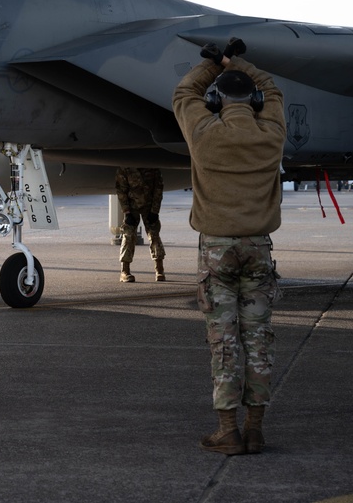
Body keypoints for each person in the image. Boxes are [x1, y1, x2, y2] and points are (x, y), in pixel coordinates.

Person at [172, 37, 286, 456]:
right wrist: (233, 61)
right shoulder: (271, 133)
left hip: (217, 250)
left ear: (217, 100)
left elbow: (184, 92)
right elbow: (272, 89)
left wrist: (211, 66)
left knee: (224, 340)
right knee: (259, 338)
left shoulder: (203, 132)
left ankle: (228, 431)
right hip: (259, 248)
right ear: (253, 100)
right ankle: (255, 429)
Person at [115, 167, 166, 282]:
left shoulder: (151, 165)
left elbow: (158, 188)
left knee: (154, 235)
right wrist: (127, 212)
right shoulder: (126, 166)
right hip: (132, 206)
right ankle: (125, 271)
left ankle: (159, 270)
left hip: (149, 205)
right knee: (128, 235)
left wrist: (155, 211)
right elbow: (121, 190)